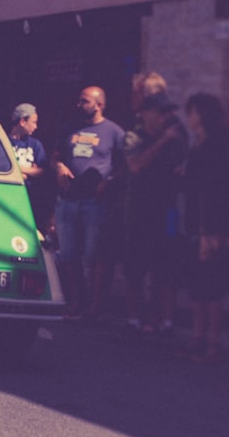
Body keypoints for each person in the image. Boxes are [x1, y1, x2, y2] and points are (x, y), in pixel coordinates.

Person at [51, 86, 125, 321]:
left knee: (93, 258)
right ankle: (74, 304)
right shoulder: (70, 127)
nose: (79, 105)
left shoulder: (114, 132)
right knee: (69, 256)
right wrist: (59, 166)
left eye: (84, 101)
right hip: (68, 201)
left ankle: (94, 307)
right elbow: (56, 156)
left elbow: (125, 166)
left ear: (99, 104)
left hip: (95, 202)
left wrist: (109, 181)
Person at [122, 87, 187, 336]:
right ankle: (135, 319)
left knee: (165, 267)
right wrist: (163, 141)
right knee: (135, 267)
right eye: (161, 112)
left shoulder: (177, 136)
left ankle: (165, 321)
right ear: (147, 113)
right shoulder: (134, 136)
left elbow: (184, 164)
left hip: (166, 210)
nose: (165, 118)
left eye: (168, 113)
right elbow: (136, 165)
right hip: (139, 210)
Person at [181, 93, 229, 364]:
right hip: (197, 227)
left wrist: (207, 234)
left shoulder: (217, 146)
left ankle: (211, 342)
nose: (189, 117)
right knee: (198, 286)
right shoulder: (200, 145)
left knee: (210, 288)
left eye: (192, 111)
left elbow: (213, 193)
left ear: (201, 114)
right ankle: (198, 339)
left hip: (210, 229)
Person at [9, 103, 50, 229]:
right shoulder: (5, 142)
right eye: (33, 122)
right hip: (11, 196)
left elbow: (42, 171)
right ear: (22, 121)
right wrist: (30, 170)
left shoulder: (35, 144)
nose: (36, 127)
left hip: (31, 196)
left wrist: (17, 168)